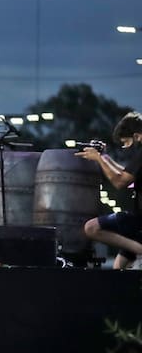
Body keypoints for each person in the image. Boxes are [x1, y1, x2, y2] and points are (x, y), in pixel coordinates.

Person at [75, 111, 142, 270]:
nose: (126, 147)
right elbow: (125, 174)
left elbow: (120, 182)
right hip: (138, 221)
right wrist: (104, 157)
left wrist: (98, 159)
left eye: (127, 142)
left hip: (139, 221)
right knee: (118, 268)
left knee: (91, 228)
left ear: (137, 135)